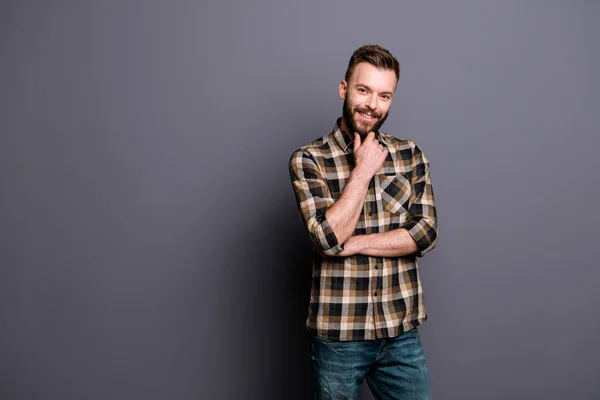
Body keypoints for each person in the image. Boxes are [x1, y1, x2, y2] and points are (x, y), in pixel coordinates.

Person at [289, 44, 438, 399]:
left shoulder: (409, 155)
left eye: (384, 95)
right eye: (363, 90)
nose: (373, 103)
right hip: (339, 337)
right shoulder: (309, 159)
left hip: (401, 334)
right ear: (344, 90)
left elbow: (425, 232)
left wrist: (353, 243)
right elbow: (327, 239)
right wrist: (364, 171)